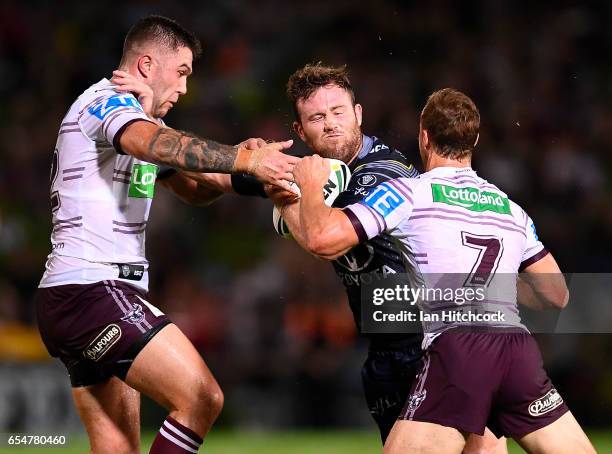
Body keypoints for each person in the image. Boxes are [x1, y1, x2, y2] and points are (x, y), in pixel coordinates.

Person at [35, 15, 297, 454]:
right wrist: (238, 158)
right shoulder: (108, 103)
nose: (184, 89)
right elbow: (149, 144)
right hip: (92, 289)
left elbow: (198, 186)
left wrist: (269, 173)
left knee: (118, 448)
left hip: (81, 296)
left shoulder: (138, 120)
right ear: (145, 65)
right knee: (200, 397)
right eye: (182, 72)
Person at [289, 88, 595, 453]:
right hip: (517, 350)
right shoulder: (510, 208)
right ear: (475, 141)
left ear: (424, 136)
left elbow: (324, 239)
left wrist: (308, 186)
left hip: (459, 349)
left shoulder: (408, 193)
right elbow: (556, 294)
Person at [269, 64, 506, 452]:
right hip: (389, 348)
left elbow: (321, 237)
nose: (330, 124)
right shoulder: (331, 175)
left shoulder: (381, 175)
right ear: (300, 131)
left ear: (358, 114)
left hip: (428, 340)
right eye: (317, 117)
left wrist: (288, 198)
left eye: (339, 112)